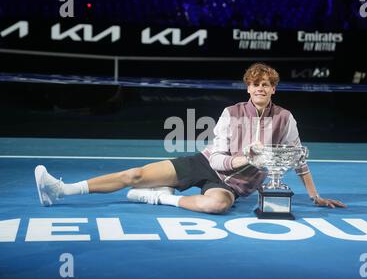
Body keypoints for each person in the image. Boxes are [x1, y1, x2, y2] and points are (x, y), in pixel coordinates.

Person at [34, 63, 346, 213]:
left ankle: (160, 196)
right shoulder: (231, 113)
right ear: (248, 88)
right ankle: (61, 189)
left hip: (231, 186)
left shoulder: (285, 119)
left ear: (274, 88)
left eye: (267, 84)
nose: (261, 89)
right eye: (256, 84)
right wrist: (247, 158)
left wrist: (315, 194)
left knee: (217, 207)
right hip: (203, 164)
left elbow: (297, 158)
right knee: (135, 174)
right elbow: (220, 157)